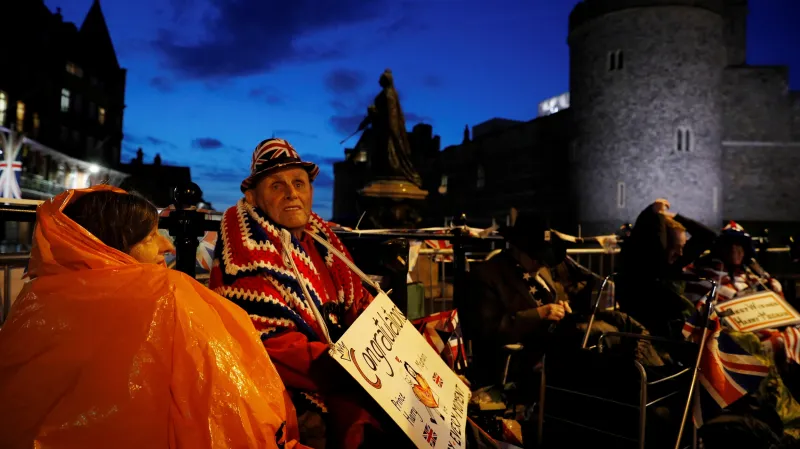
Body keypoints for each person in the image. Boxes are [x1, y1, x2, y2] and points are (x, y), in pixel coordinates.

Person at [0, 186, 305, 449]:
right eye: (149, 237)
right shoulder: (167, 295)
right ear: (109, 248)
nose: (168, 245)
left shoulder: (34, 300)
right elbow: (233, 414)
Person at [210, 138, 407, 448]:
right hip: (298, 384)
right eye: (276, 186)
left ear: (311, 191)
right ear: (252, 197)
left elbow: (360, 304)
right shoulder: (243, 251)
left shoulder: (324, 240)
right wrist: (357, 367)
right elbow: (270, 347)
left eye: (299, 183)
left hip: (348, 367)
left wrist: (398, 345)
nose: (292, 193)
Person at [462, 212, 574, 388]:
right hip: (515, 362)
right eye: (536, 257)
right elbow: (487, 329)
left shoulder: (539, 269)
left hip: (550, 353)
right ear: (518, 248)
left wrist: (561, 306)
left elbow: (556, 295)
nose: (542, 263)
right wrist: (538, 314)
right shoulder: (488, 275)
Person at [616, 199, 717, 338]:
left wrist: (673, 216)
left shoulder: (673, 262)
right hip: (647, 334)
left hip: (674, 331)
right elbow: (655, 246)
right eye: (676, 247)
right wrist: (655, 213)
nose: (681, 254)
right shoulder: (643, 262)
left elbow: (708, 236)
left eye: (682, 247)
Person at [684, 221, 783, 303]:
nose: (734, 251)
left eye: (740, 246)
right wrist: (727, 293)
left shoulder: (753, 276)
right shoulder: (702, 273)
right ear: (719, 249)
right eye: (730, 246)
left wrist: (773, 288)